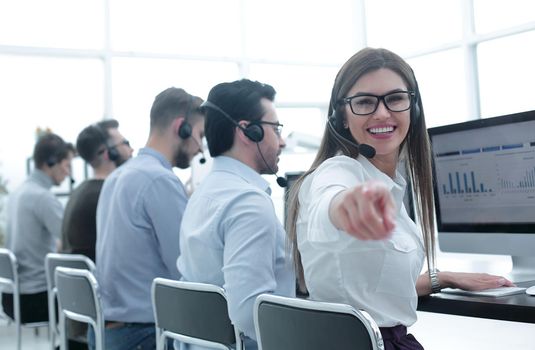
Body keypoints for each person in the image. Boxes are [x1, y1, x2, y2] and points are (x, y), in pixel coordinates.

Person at [285, 48, 514, 349]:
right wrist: (345, 207)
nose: (382, 113)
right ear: (341, 116)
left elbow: (371, 292)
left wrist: (441, 278)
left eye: (395, 98)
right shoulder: (339, 172)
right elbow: (329, 201)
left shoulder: (390, 182)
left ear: (412, 109)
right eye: (365, 102)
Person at [177, 79, 295, 350]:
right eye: (276, 129)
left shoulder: (202, 194)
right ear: (248, 131)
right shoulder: (248, 204)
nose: (283, 141)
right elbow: (249, 316)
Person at [91, 87, 205, 350]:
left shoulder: (119, 175)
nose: (200, 148)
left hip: (106, 330)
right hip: (143, 335)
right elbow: (185, 268)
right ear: (182, 128)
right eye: (199, 135)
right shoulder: (160, 180)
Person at [2, 133, 74, 323]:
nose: (68, 173)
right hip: (36, 299)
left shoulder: (17, 193)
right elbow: (70, 240)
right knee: (91, 301)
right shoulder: (43, 198)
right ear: (51, 163)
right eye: (67, 165)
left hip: (11, 298)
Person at [61, 119, 133, 262]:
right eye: (125, 143)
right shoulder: (108, 195)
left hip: (81, 283)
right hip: (103, 281)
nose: (131, 149)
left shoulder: (79, 192)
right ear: (108, 153)